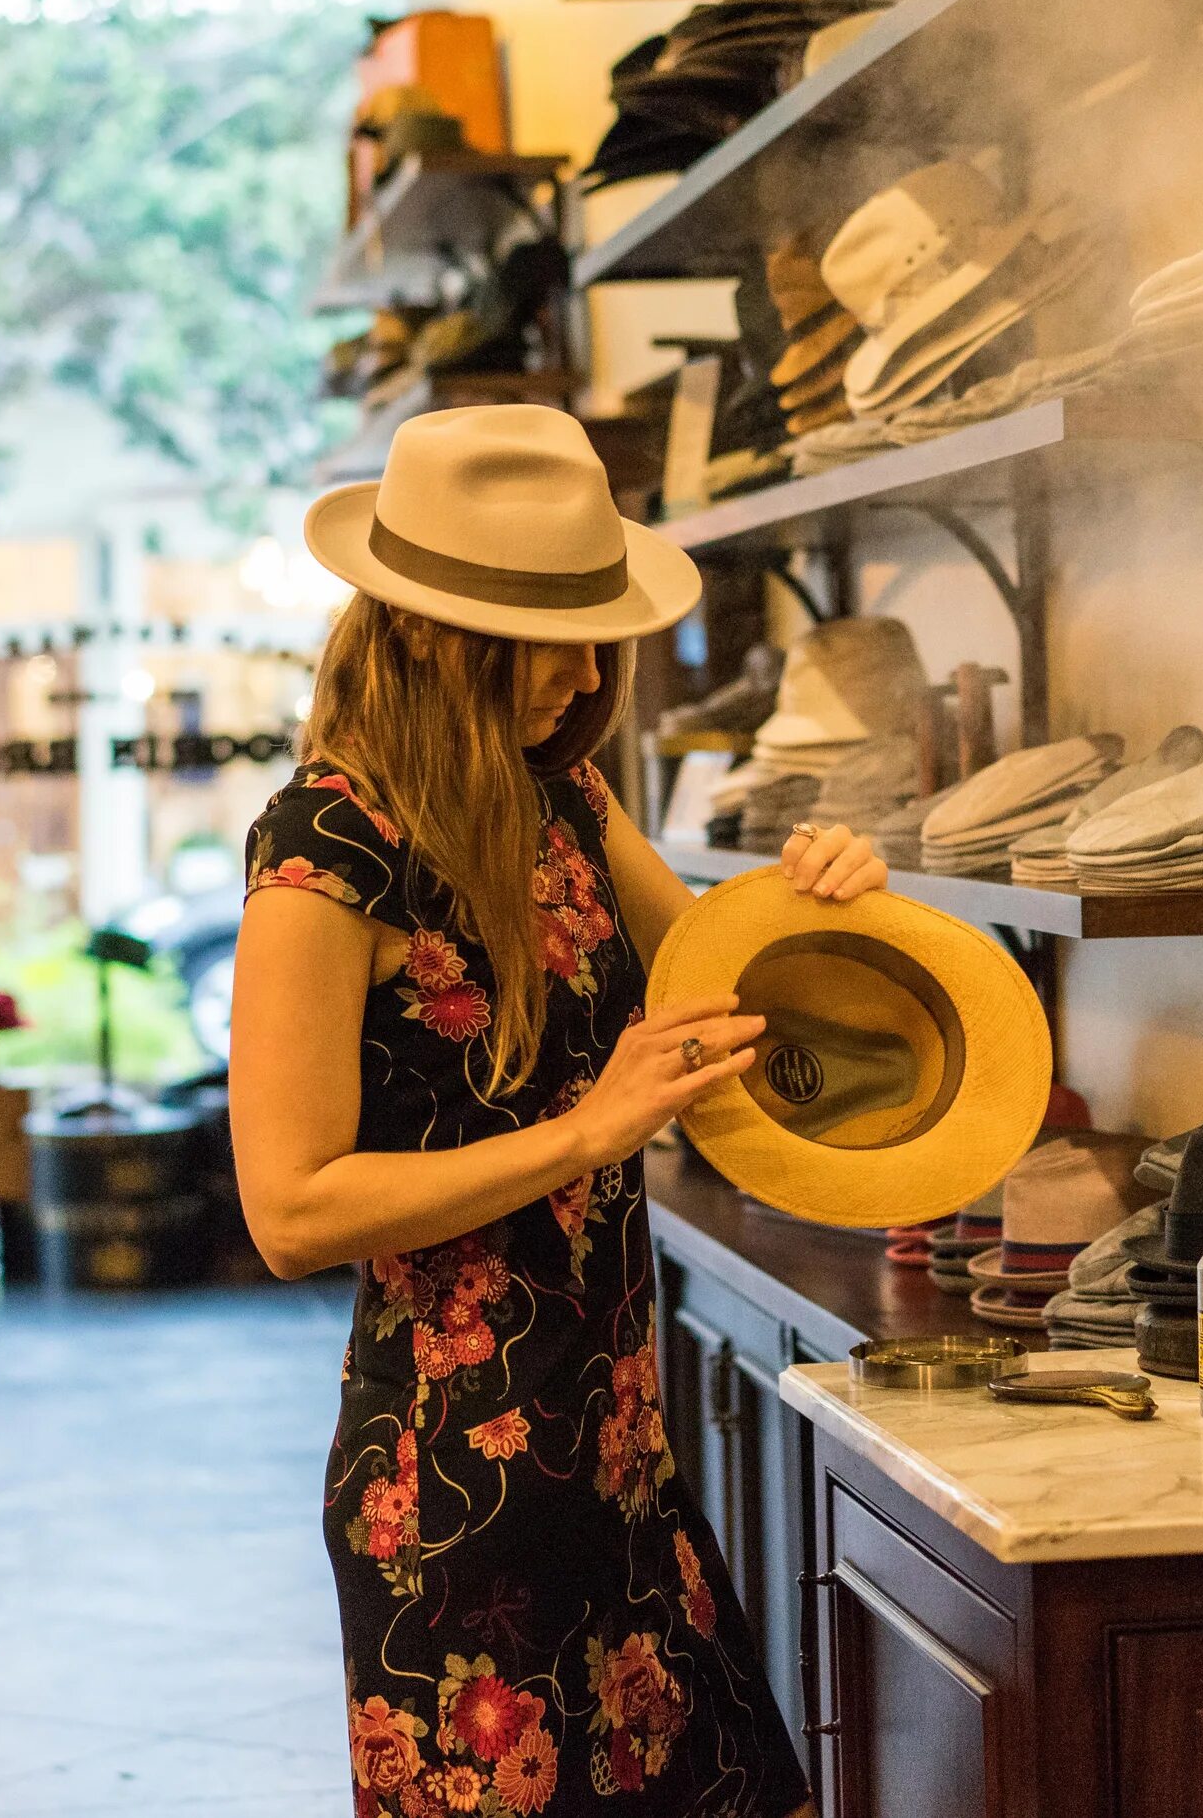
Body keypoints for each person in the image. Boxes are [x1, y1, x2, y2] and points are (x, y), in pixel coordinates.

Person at [235, 406, 884, 1818]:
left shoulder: (564, 796)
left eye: (600, 632)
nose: (591, 673)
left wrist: (829, 892)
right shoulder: (327, 843)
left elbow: (739, 983)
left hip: (623, 1471)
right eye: (551, 637)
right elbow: (288, 1207)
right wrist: (587, 1134)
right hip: (455, 1506)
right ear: (424, 630)